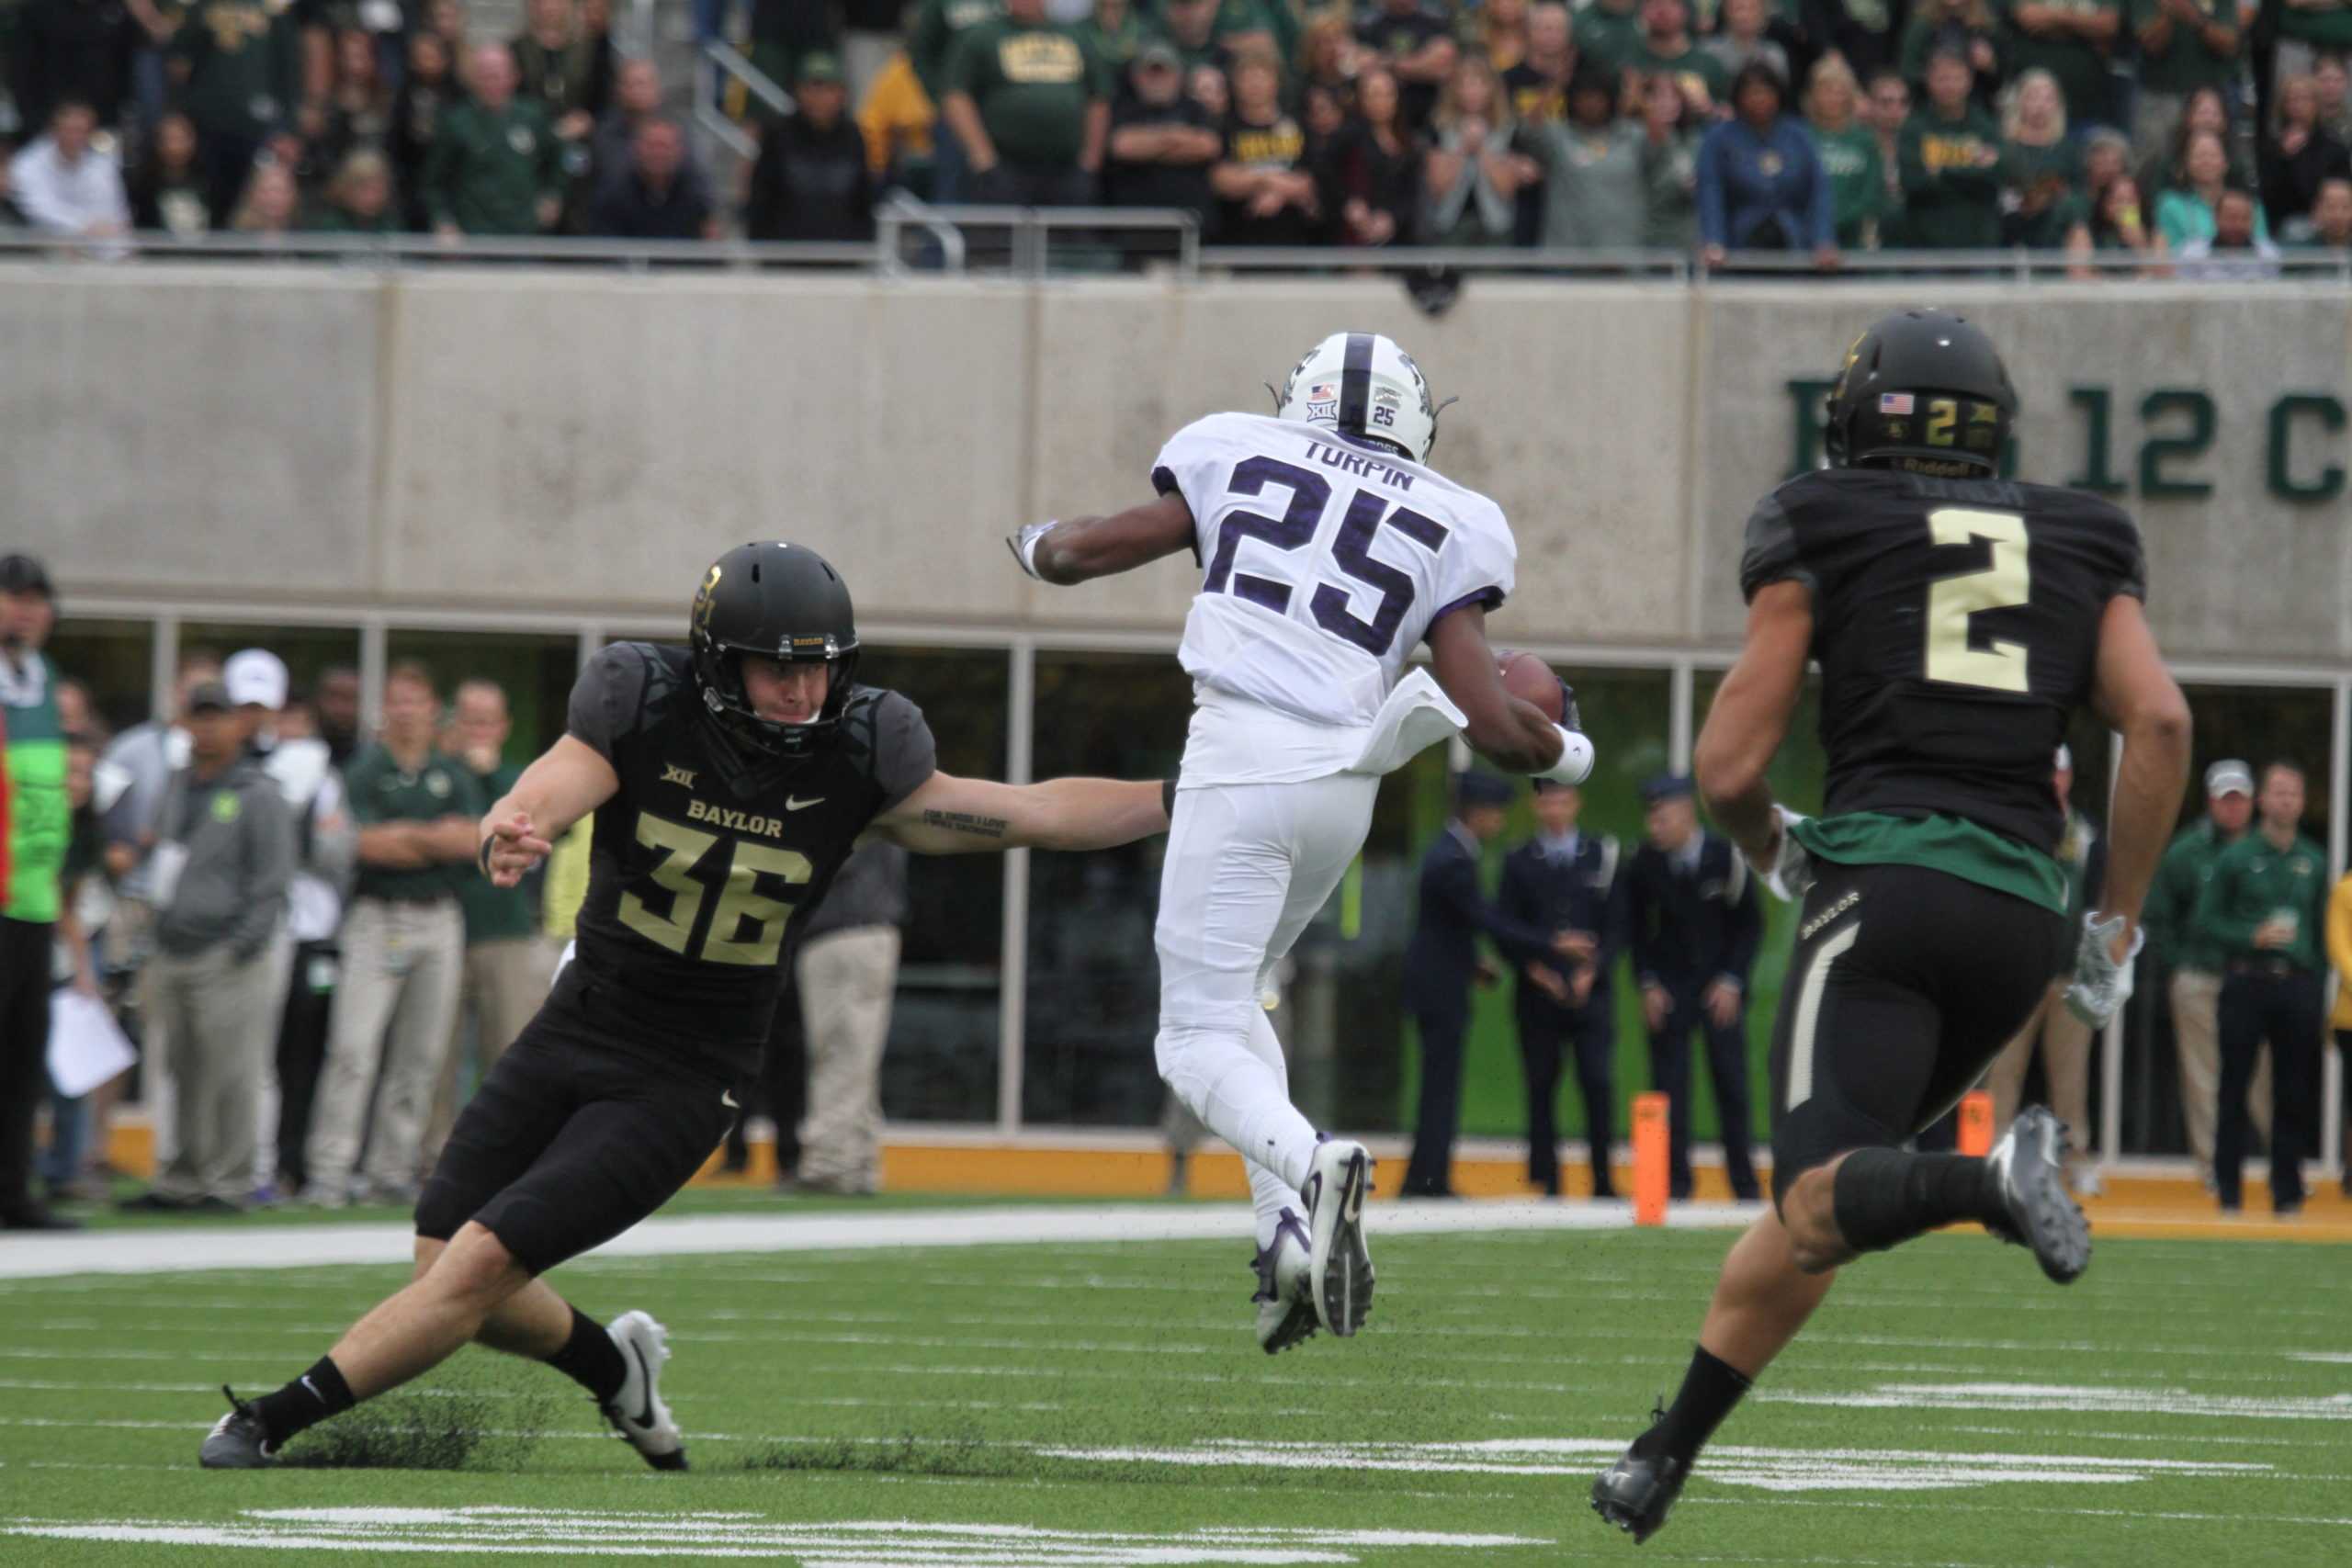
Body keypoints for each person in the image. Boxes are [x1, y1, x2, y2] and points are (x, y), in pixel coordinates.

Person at [200, 541, 1171, 1469]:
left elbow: (1032, 810)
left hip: (685, 1073)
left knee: (479, 1265)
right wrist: (517, 818)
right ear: (715, 664)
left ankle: (275, 1418)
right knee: (442, 1261)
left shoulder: (860, 758)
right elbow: (561, 776)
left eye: (818, 669)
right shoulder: (644, 706)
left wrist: (1184, 794)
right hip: (579, 1021)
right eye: (775, 669)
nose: (802, 691)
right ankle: (614, 1368)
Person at [1590, 308, 2189, 1542]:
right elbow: (2163, 726)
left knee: (1815, 1191)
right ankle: (1665, 1450)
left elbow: (1726, 766)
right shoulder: (2086, 532)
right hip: (2024, 914)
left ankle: (1991, 1177)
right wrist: (2113, 925)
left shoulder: (1824, 513)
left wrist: (1777, 856)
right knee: (1828, 1208)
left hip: (1884, 887)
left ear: (1863, 418)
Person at [1009, 331, 1594, 1352]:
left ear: (1303, 400)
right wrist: (1566, 753)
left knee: (1189, 1039)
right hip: (1344, 785)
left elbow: (1083, 554)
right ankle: (1283, 1235)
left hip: (1239, 756)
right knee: (1235, 1002)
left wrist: (1037, 542)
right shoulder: (1449, 512)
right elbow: (1492, 722)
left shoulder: (1237, 445)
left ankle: (1313, 1159)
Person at [301, 663, 483, 1209]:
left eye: (416, 701)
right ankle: (330, 1171)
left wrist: (407, 838)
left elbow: (471, 840)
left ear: (433, 711)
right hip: (377, 915)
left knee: (421, 1055)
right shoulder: (363, 769)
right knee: (354, 1049)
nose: (406, 712)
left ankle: (392, 1168)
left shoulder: (453, 774)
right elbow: (360, 846)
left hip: (439, 916)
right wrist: (430, 839)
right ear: (385, 713)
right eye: (397, 702)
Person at [118, 681, 294, 1213]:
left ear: (237, 724)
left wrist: (243, 943)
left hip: (227, 951)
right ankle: (184, 1176)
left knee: (233, 1069)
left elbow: (273, 878)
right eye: (199, 717)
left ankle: (231, 1179)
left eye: (217, 717)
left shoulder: (258, 791)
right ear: (184, 722)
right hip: (172, 946)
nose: (207, 727)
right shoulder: (177, 783)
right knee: (181, 1067)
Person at [1400, 772, 1583, 1198]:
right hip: (1438, 990)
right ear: (1477, 813)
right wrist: (1553, 943)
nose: (1500, 822)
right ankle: (1429, 1180)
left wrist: (1471, 961)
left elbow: (1451, 926)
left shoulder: (1450, 851)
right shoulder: (1454, 859)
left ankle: (1425, 1176)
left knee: (1440, 1083)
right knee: (1440, 1085)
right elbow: (1487, 919)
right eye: (1496, 813)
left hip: (1442, 980)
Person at [228, 650, 355, 1205]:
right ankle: (244, 1165)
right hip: (238, 927)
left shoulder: (309, 766)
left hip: (306, 929)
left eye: (266, 707)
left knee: (299, 1056)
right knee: (246, 1057)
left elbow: (333, 853)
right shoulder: (209, 763)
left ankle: (287, 1167)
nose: (257, 718)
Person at [423, 679, 547, 1178]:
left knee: (509, 1054)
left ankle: (506, 1157)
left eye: (486, 720)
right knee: (438, 1058)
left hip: (509, 930)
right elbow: (439, 838)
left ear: (504, 726)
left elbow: (514, 827)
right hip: (450, 928)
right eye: (469, 719)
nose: (478, 730)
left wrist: (487, 778)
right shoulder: (438, 775)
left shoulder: (521, 777)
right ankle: (436, 1159)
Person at [2196, 761, 2328, 1214]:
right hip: (2246, 982)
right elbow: (2206, 921)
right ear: (2263, 801)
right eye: (2278, 792)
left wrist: (2315, 982)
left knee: (2292, 1092)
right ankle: (2229, 1192)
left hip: (2295, 986)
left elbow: (2320, 929)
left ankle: (2287, 1192)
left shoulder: (2314, 859)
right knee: (2233, 1086)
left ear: (2302, 802)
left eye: (2294, 793)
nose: (2285, 800)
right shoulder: (2235, 857)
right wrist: (2249, 937)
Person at [1625, 773, 1762, 1201]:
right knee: (1669, 1090)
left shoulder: (1727, 858)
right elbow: (1635, 930)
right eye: (1651, 819)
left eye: (1662, 818)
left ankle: (1744, 1186)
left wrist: (1732, 982)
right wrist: (1647, 984)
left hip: (1718, 991)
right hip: (1669, 990)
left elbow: (1750, 926)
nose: (1654, 827)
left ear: (1686, 814)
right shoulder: (1643, 863)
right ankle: (1675, 1185)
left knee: (1731, 1086)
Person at [1982, 746, 2105, 1193]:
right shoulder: (2010, 826)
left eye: (2059, 773)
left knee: (2070, 1077)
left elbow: (2098, 900)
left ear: (2070, 777)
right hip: (2017, 974)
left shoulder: (2088, 832)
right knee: (2003, 1072)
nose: (2053, 780)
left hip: (2069, 974)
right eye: (2045, 772)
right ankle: (1996, 1158)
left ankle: (2077, 1161)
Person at [2143, 758, 2266, 1190]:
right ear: (2212, 802)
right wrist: (2180, 960)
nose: (2233, 808)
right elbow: (2157, 915)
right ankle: (2214, 1167)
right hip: (2200, 977)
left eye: (2240, 799)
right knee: (2204, 1076)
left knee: (2263, 1074)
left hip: (2255, 978)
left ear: (2253, 803)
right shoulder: (2185, 851)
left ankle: (2280, 1167)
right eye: (2225, 799)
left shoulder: (2269, 850)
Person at [0, 554, 78, 1231]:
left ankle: (13, 1190)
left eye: (35, 599)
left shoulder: (41, 678)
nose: (24, 611)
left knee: (24, 1054)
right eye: (12, 597)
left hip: (32, 895)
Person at [1499, 778, 1623, 1199]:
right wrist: (1538, 971)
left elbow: (1620, 924)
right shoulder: (1518, 860)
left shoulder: (1602, 855)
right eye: (1547, 800)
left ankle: (1604, 1180)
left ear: (1576, 804)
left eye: (1563, 800)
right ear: (1537, 806)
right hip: (1538, 994)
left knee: (1597, 1083)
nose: (1555, 808)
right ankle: (1546, 1181)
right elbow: (1506, 928)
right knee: (1541, 1087)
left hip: (1593, 993)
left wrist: (1595, 968)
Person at [790, 840, 908, 1194]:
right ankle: (858, 1163)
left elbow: (815, 861)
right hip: (864, 931)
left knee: (839, 1051)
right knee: (855, 1052)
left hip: (843, 932)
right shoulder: (884, 794)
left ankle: (830, 1164)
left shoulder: (849, 797)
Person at [943, 0, 1110, 208]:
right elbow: (956, 97)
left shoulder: (1077, 36)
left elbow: (1099, 99)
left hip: (1067, 168)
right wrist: (984, 159)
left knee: (1069, 238)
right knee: (1000, 238)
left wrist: (1089, 162)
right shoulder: (981, 36)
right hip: (1004, 166)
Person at [1696, 61, 1836, 268]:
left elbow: (1818, 191)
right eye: (1752, 93)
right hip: (1738, 243)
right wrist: (1714, 242)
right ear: (1739, 97)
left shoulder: (1798, 136)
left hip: (1794, 239)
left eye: (1765, 92)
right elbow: (1710, 193)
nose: (1759, 99)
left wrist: (1823, 241)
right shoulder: (1719, 139)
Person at [424, 43, 564, 238]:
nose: (492, 83)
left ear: (514, 77)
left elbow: (560, 158)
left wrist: (553, 196)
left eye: (498, 75)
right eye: (485, 76)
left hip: (525, 230)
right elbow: (433, 182)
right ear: (474, 79)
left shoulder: (534, 116)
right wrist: (443, 221)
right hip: (474, 231)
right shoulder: (456, 122)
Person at [747, 52, 874, 241]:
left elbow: (863, 200)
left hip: (844, 258)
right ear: (798, 92)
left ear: (841, 94)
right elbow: (761, 198)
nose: (819, 98)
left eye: (828, 89)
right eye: (812, 88)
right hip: (784, 258)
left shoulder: (854, 137)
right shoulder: (778, 135)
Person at [1896, 47, 2005, 249]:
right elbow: (1912, 181)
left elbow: (1995, 176)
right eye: (1942, 79)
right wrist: (1971, 167)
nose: (1950, 86)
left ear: (1969, 81)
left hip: (1979, 241)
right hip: (1926, 243)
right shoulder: (1913, 128)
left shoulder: (1985, 126)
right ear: (1928, 80)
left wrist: (1940, 171)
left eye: (1956, 78)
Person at [1423, 55, 1537, 245]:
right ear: (1455, 89)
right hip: (1451, 224)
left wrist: (1483, 150)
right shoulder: (1439, 128)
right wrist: (1462, 149)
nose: (1472, 92)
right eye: (1465, 85)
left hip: (1496, 225)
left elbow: (1507, 190)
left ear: (1491, 88)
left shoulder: (1508, 129)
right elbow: (1438, 188)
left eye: (1479, 85)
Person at [2128, 0, 2241, 179]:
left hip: (2208, 100)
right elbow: (2151, 44)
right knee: (2150, 170)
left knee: (2214, 166)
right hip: (2158, 96)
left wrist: (2195, 18)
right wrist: (2169, 14)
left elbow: (2230, 44)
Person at [7, 98, 131, 247]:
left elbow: (115, 213)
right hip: (43, 245)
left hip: (98, 248)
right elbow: (38, 209)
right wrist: (83, 226)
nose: (75, 137)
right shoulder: (27, 163)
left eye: (82, 131)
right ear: (54, 130)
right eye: (70, 130)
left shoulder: (102, 164)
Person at [1998, 0, 2120, 130]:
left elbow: (2109, 25)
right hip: (2031, 108)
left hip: (2087, 105)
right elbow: (2029, 17)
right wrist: (2085, 23)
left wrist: (2053, 19)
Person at [586, 117, 716, 239]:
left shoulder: (696, 194)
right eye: (651, 145)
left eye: (665, 146)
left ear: (680, 151)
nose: (658, 153)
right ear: (636, 148)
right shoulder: (612, 192)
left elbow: (707, 245)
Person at [1804, 54, 1885, 249]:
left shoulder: (1866, 140)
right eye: (1826, 91)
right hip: (1807, 237)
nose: (1833, 98)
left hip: (1853, 238)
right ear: (1814, 95)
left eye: (1839, 92)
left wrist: (1839, 218)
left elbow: (1872, 194)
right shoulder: (1802, 137)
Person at [1999, 68, 2083, 249]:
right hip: (2009, 223)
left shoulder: (2068, 149)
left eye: (2048, 98)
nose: (2040, 105)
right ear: (2020, 102)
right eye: (2033, 97)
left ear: (2057, 105)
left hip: (2055, 227)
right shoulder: (2004, 146)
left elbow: (2079, 192)